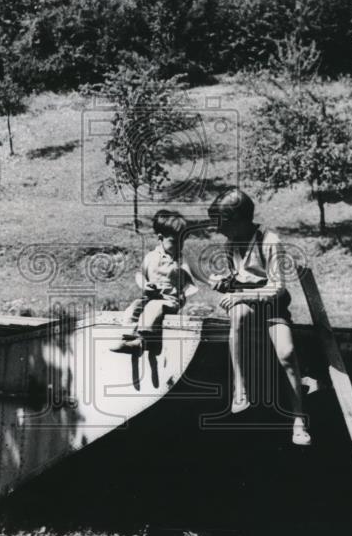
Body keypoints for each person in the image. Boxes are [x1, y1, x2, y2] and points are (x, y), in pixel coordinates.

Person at [207, 188, 312, 446]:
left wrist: (242, 296)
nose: (219, 230)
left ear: (240, 220)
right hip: (247, 309)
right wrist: (225, 283)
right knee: (240, 314)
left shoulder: (269, 241)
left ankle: (299, 419)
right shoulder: (231, 244)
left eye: (223, 224)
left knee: (286, 353)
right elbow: (239, 280)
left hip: (272, 309)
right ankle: (240, 390)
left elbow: (277, 288)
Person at [110, 209, 195, 355]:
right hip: (150, 298)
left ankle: (142, 341)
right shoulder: (151, 257)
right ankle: (127, 337)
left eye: (182, 241)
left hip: (170, 300)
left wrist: (184, 294)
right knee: (134, 308)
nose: (179, 246)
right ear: (161, 238)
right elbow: (140, 274)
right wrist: (145, 285)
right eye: (175, 242)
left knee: (154, 307)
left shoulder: (180, 260)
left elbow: (191, 278)